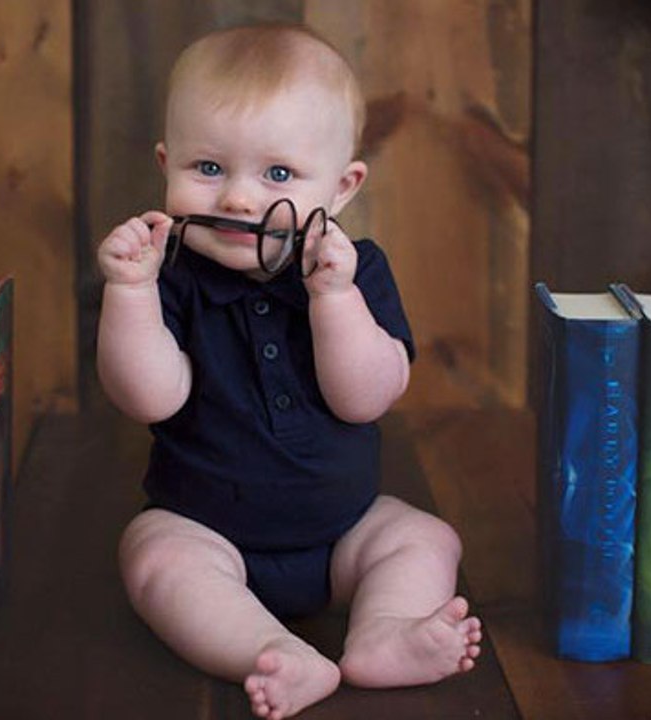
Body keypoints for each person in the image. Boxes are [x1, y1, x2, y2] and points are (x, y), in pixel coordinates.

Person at [96, 23, 481, 720]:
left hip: (344, 532)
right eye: (207, 169)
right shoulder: (172, 275)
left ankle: (382, 633)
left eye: (277, 175)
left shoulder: (355, 274)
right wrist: (129, 293)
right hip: (205, 529)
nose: (239, 201)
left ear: (340, 188)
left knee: (423, 537)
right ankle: (269, 650)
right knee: (151, 557)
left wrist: (333, 299)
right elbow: (150, 396)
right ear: (165, 165)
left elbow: (365, 399)